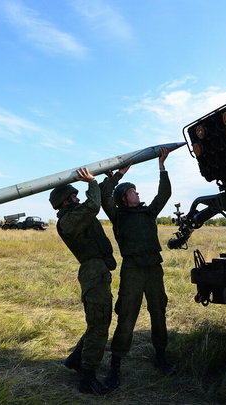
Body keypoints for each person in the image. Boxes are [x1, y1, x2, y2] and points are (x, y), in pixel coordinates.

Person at [100, 146, 176, 388]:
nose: (137, 193)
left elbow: (164, 194)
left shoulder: (148, 212)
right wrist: (118, 176)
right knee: (127, 317)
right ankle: (115, 367)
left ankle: (161, 357)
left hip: (154, 269)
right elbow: (104, 196)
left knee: (158, 312)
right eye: (133, 191)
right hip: (132, 271)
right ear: (124, 198)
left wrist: (162, 166)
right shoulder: (119, 216)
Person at [49, 168, 117, 395]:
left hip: (97, 270)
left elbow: (96, 199)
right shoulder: (69, 221)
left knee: (97, 322)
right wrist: (92, 182)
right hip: (92, 273)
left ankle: (76, 359)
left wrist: (114, 177)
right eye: (73, 196)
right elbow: (93, 205)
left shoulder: (75, 214)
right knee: (99, 325)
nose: (78, 199)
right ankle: (88, 378)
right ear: (65, 202)